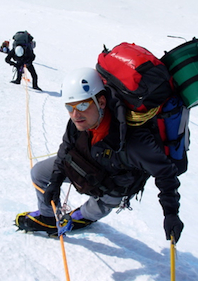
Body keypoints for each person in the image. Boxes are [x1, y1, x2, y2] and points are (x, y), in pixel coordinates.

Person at [15, 67, 184, 243]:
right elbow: (66, 148)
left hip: (113, 187)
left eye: (82, 105)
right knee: (39, 173)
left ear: (101, 102)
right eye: (69, 107)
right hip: (87, 165)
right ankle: (49, 219)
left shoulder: (133, 141)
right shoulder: (78, 121)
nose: (75, 114)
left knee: (91, 210)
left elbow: (165, 172)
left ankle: (85, 217)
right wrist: (56, 181)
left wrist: (171, 213)